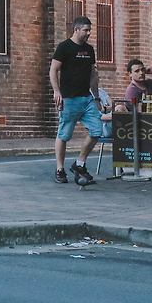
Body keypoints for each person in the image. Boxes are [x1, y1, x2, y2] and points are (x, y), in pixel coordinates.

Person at [50, 16, 104, 185]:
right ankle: (60, 169)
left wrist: (96, 97)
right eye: (86, 30)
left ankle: (79, 164)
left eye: (90, 30)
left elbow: (93, 74)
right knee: (64, 134)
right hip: (69, 99)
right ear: (76, 29)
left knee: (97, 130)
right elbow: (53, 70)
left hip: (87, 98)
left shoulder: (89, 50)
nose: (88, 33)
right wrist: (56, 91)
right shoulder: (64, 47)